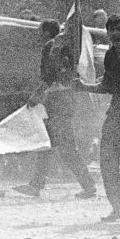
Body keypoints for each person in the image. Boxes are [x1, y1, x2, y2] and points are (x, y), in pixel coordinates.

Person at [75, 14, 120, 222]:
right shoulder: (109, 56)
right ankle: (119, 208)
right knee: (107, 160)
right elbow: (107, 86)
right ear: (108, 33)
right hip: (117, 111)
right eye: (112, 30)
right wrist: (83, 87)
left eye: (119, 29)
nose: (116, 34)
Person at [13, 19, 97, 200]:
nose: (38, 34)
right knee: (47, 143)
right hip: (64, 99)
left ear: (45, 32)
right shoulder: (68, 46)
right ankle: (37, 183)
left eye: (40, 31)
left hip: (57, 99)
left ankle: (88, 185)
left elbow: (49, 74)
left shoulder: (52, 47)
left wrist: (37, 93)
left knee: (66, 147)